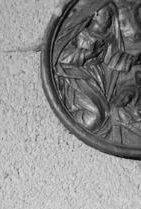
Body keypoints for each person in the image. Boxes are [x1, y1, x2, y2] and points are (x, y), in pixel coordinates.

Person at [55, 3, 141, 141]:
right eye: (106, 15)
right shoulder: (79, 33)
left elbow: (113, 58)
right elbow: (61, 55)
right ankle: (73, 118)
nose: (109, 19)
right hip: (77, 76)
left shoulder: (107, 38)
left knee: (104, 113)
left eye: (111, 16)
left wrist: (133, 60)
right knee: (96, 115)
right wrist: (86, 54)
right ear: (95, 15)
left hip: (98, 76)